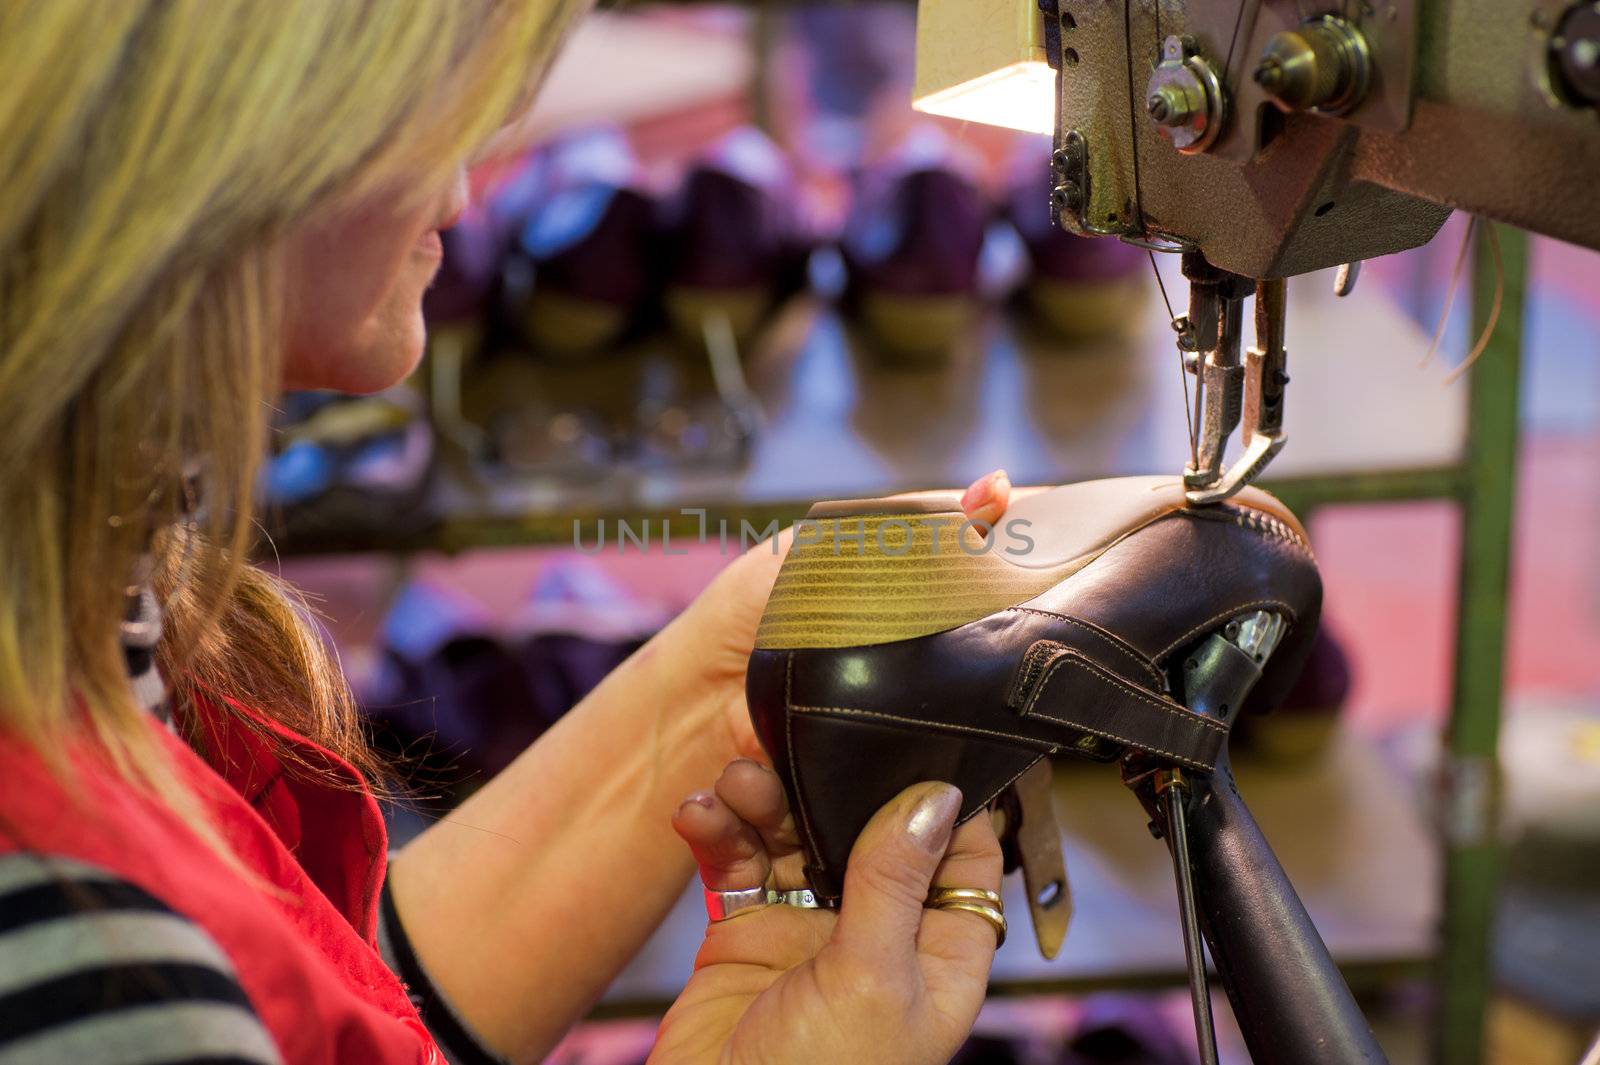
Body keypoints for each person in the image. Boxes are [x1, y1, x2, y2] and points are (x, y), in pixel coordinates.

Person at [0, 3, 1020, 1063]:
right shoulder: (76, 933)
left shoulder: (84, 624)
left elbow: (323, 999)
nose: (470, 167)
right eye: (439, 91)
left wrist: (736, 670)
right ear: (237, 118)